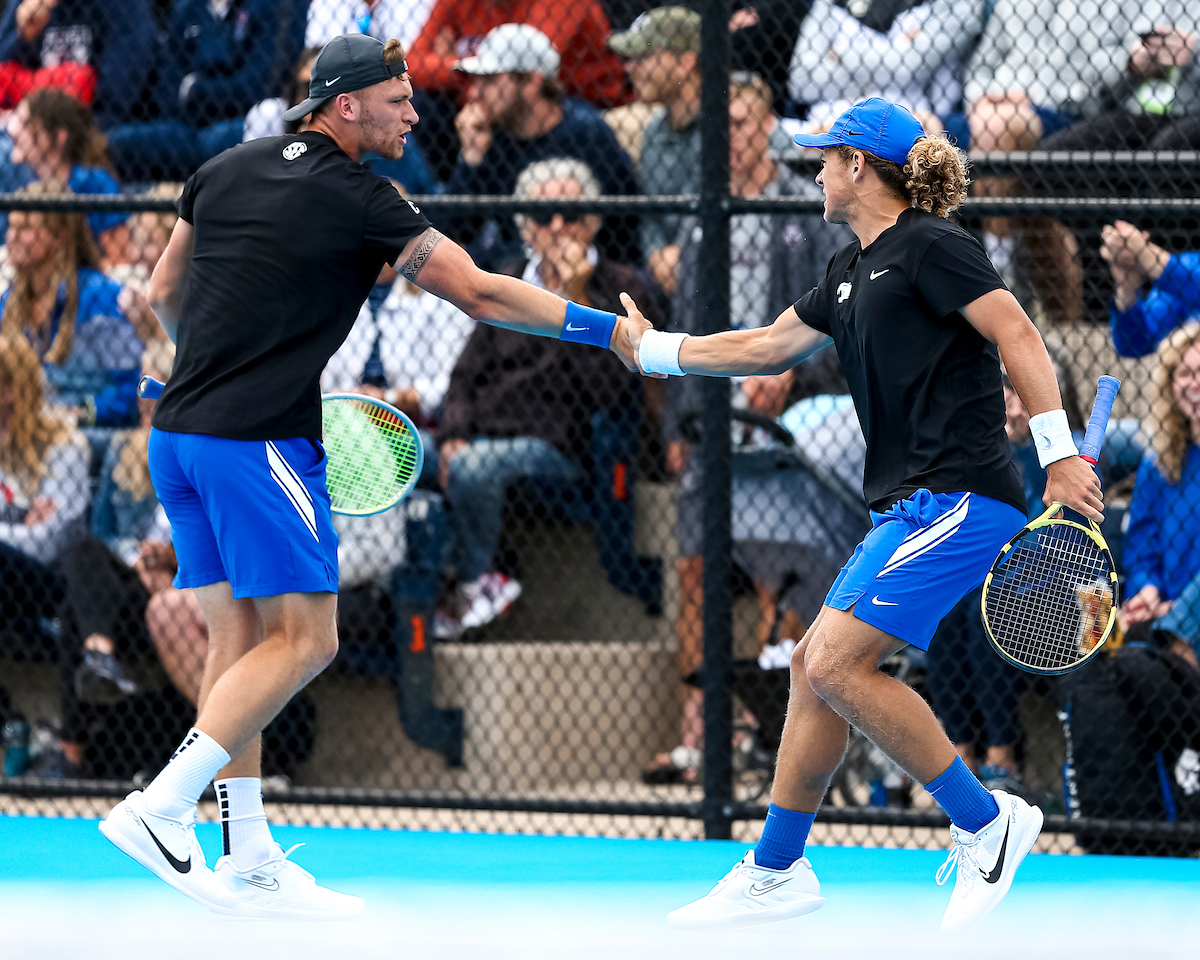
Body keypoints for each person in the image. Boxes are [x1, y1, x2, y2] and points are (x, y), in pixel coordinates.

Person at [96, 33, 651, 920]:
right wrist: (613, 333)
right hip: (256, 442)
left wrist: (191, 365)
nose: (415, 111)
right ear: (345, 105)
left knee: (237, 646)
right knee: (307, 641)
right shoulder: (365, 198)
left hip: (178, 438)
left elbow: (165, 288)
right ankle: (161, 807)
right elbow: (480, 292)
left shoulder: (222, 168)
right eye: (399, 99)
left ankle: (249, 858)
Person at [621, 97, 1103, 930]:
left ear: (858, 166)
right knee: (816, 663)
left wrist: (1060, 455)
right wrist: (655, 352)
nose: (812, 168)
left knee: (838, 664)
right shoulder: (847, 270)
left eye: (824, 156)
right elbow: (765, 346)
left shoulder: (933, 245)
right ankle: (775, 871)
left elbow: (1018, 331)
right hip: (904, 511)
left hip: (964, 498)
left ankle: (988, 823)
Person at [645, 71, 851, 784]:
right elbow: (693, 326)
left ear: (765, 125)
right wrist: (677, 419)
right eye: (717, 125)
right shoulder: (706, 217)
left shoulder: (807, 210)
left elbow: (840, 325)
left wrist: (796, 374)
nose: (727, 136)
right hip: (713, 421)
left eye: (738, 122)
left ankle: (780, 732)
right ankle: (701, 735)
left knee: (779, 571)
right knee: (696, 568)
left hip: (790, 424)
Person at [437, 156, 651, 633]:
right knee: (409, 455)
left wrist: (582, 303)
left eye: (571, 214)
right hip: (483, 435)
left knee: (475, 467)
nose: (558, 227)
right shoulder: (506, 280)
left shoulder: (621, 288)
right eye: (542, 215)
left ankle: (475, 587)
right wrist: (453, 432)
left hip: (558, 448)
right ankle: (419, 591)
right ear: (525, 228)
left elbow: (614, 392)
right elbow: (463, 376)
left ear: (593, 221)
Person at [39, 341, 178, 779]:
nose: (142, 398)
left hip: (173, 592)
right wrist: (136, 558)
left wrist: (171, 560)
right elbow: (101, 533)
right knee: (83, 549)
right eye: (141, 385)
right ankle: (100, 655)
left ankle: (71, 752)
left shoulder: (207, 457)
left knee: (72, 612)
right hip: (124, 580)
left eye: (153, 386)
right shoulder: (124, 448)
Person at [446, 23, 639, 267]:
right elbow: (455, 235)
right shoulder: (491, 139)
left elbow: (623, 229)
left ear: (532, 82)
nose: (475, 93)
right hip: (517, 275)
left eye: (490, 80)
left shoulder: (588, 133)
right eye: (476, 80)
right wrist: (471, 158)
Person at [1, 180, 142, 427]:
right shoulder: (8, 300)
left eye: (24, 228)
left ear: (59, 236)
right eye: (11, 227)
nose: (11, 237)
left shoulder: (100, 296)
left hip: (92, 429)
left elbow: (132, 383)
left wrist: (84, 412)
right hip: (26, 430)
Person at [105, 0, 295, 182]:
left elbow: (256, 87)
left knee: (216, 142)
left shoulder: (272, 5)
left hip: (242, 123)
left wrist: (196, 90)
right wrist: (215, 92)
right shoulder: (186, 9)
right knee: (116, 141)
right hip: (185, 128)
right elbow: (168, 91)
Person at [0, 332, 91, 662]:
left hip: (51, 583)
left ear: (11, 391)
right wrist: (21, 524)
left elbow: (48, 542)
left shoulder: (66, 447)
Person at [608, 7, 701, 297]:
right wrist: (655, 256)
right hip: (661, 272)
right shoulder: (653, 130)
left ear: (686, 62)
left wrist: (681, 252)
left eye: (644, 58)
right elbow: (651, 213)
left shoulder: (731, 124)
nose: (630, 68)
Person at [787, 0, 983, 135]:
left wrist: (838, 52)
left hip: (912, 118)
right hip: (829, 119)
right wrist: (896, 52)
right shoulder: (829, 3)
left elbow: (909, 68)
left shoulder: (954, 4)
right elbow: (801, 81)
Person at [1121, 323, 1200, 649]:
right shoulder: (1157, 465)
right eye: (1184, 373)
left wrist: (1177, 613)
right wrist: (1147, 591)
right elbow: (1141, 549)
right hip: (1160, 618)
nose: (1194, 383)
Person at [0, 88, 129, 255]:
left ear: (59, 136)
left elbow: (119, 257)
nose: (13, 130)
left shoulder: (94, 182)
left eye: (25, 124)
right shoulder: (20, 182)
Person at [0, 0, 157, 125]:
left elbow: (116, 97)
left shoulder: (124, 5)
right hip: (27, 125)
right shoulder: (25, 3)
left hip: (94, 126)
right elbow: (3, 74)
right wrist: (22, 37)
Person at [1103, 220, 1200, 358]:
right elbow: (1132, 346)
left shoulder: (1184, 272)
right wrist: (1127, 288)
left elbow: (1190, 279)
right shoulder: (1189, 264)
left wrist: (1149, 256)